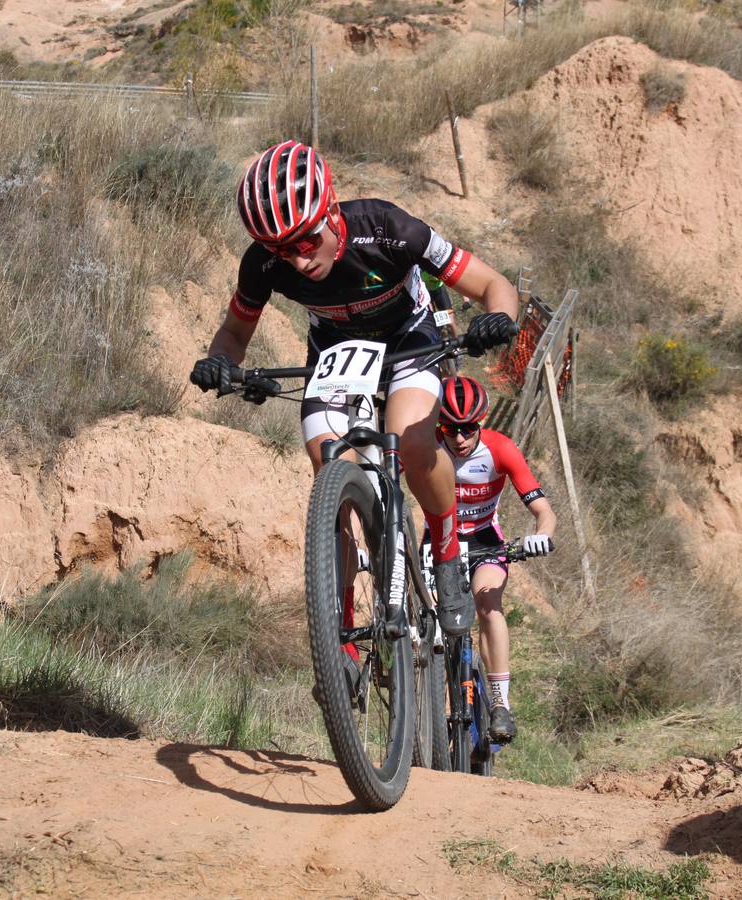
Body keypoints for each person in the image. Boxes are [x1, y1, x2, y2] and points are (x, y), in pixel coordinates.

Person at [189, 141, 521, 637]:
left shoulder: (388, 229)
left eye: (305, 241)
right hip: (336, 355)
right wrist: (221, 363)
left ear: (330, 209)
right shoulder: (262, 264)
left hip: (409, 341)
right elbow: (235, 334)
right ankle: (338, 638)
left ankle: (448, 555)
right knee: (330, 471)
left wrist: (499, 318)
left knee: (411, 442)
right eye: (282, 250)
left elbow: (493, 284)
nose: (298, 262)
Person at [431, 375, 556, 742]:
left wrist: (541, 536)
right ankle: (426, 702)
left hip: (486, 540)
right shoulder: (430, 448)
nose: (459, 438)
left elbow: (544, 511)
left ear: (480, 423)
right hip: (440, 540)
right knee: (428, 617)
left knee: (488, 605)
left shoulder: (501, 449)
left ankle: (500, 704)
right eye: (449, 428)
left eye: (468, 429)